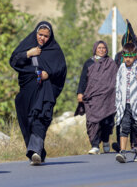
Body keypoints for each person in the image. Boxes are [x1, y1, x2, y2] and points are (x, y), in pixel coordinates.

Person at [10, 21, 67, 165]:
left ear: (50, 37)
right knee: (27, 121)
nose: (42, 38)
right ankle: (37, 152)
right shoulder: (28, 45)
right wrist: (29, 53)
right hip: (27, 91)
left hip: (45, 91)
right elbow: (14, 61)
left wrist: (49, 74)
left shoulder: (54, 50)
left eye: (46, 36)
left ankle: (35, 151)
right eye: (40, 35)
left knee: (40, 117)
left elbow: (61, 69)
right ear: (36, 33)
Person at [77, 41, 118, 155]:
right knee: (92, 122)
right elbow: (83, 80)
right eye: (99, 48)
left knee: (107, 122)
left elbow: (116, 79)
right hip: (92, 98)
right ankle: (95, 145)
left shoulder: (111, 63)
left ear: (107, 49)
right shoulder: (89, 63)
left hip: (108, 98)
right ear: (95, 49)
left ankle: (105, 140)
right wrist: (80, 93)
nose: (101, 50)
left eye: (104, 48)